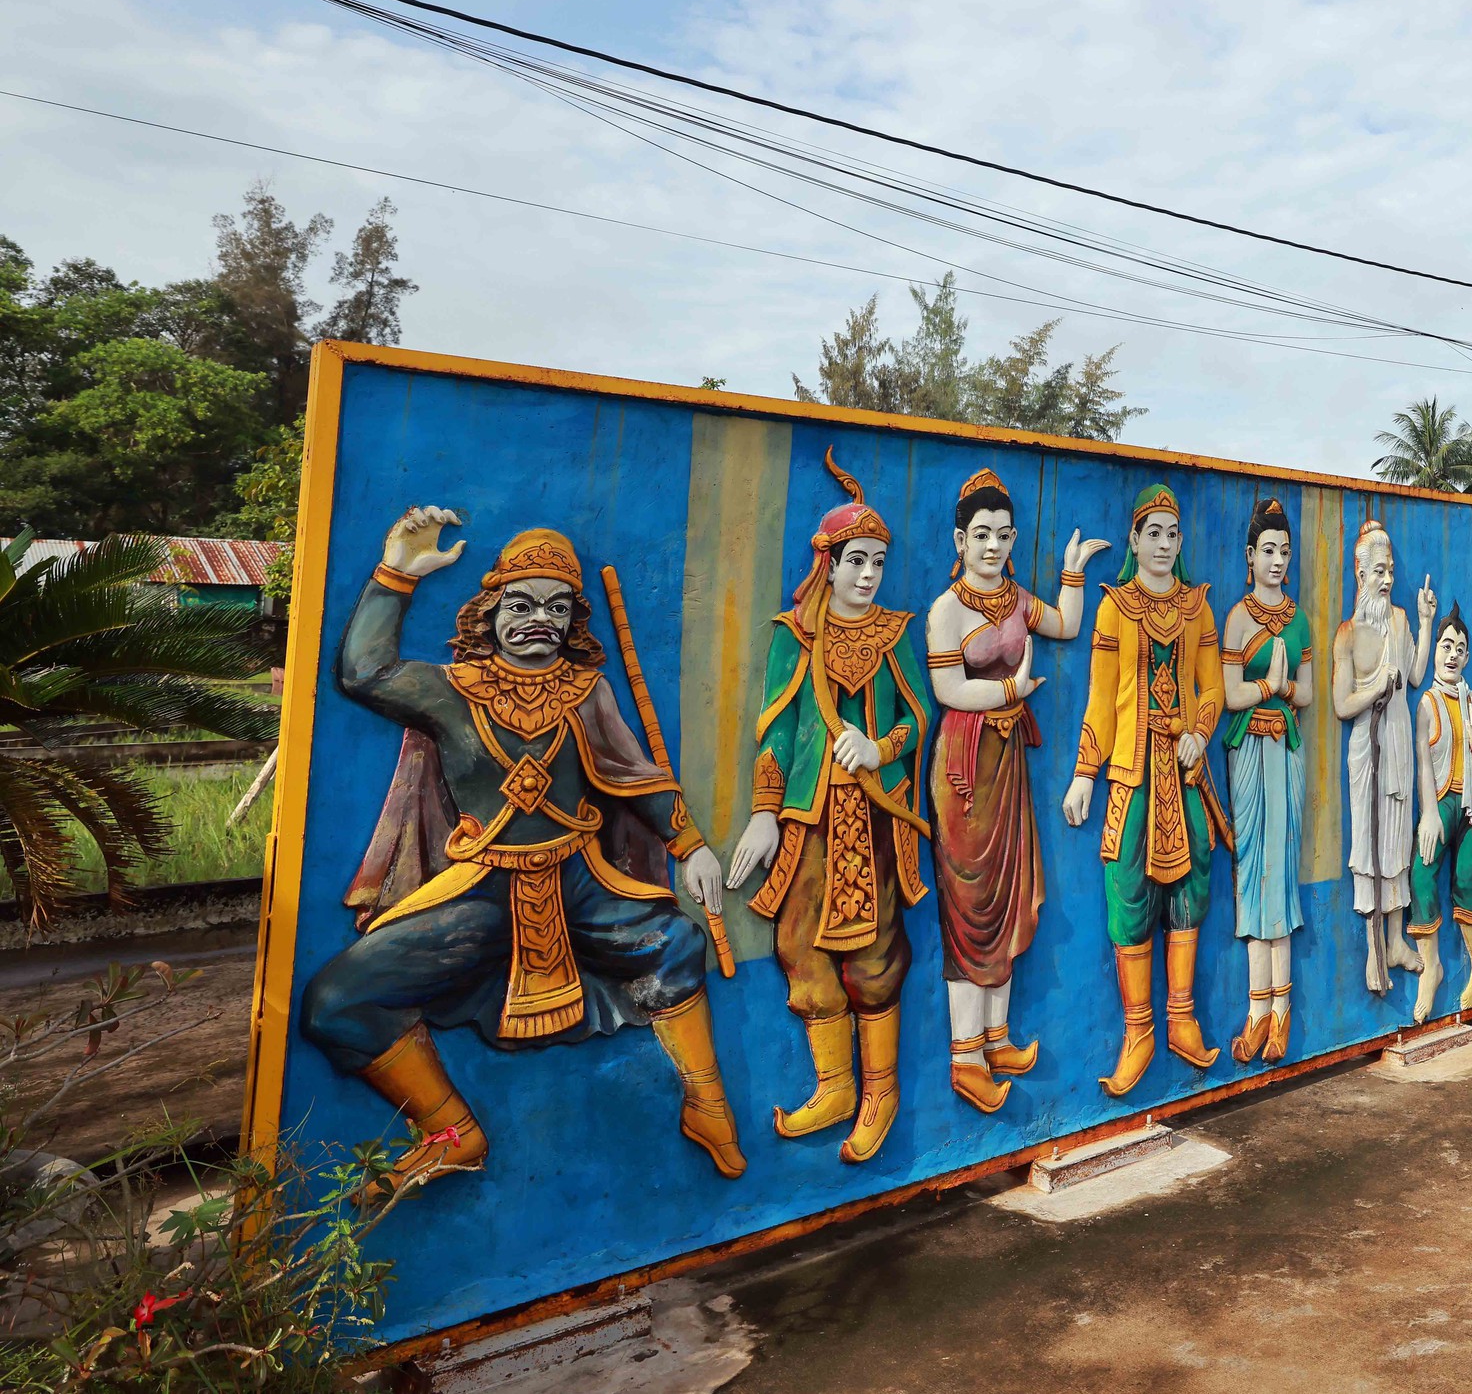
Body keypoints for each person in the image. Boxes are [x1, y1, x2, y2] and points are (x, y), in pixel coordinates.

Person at [301, 509, 743, 1196]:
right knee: (336, 999)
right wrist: (398, 573)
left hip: (580, 882)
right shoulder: (451, 689)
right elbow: (363, 672)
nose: (540, 617)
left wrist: (689, 843)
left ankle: (707, 1105)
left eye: (558, 606)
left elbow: (634, 775)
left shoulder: (585, 690)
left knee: (677, 944)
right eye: (523, 603)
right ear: (492, 610)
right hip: (480, 891)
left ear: (573, 620)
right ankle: (451, 1132)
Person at [726, 457, 932, 1163]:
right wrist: (762, 812)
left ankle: (880, 1092)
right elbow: (776, 726)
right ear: (829, 561)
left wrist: (882, 749)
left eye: (878, 561)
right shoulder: (795, 633)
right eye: (857, 560)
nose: (869, 574)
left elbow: (918, 712)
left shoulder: (895, 630)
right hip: (809, 820)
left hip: (874, 815)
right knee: (801, 948)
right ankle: (836, 1086)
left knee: (875, 954)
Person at [925, 467, 1111, 1114]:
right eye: (982, 535)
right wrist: (1009, 690)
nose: (994, 546)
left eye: (1004, 534)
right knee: (970, 908)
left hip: (1008, 763)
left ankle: (997, 1038)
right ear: (959, 537)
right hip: (964, 769)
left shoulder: (1012, 598)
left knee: (1008, 900)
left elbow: (1062, 623)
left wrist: (1072, 569)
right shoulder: (946, 611)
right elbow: (949, 691)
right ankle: (965, 1055)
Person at [1065, 483, 1232, 1095]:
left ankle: (1182, 1018)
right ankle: (1139, 1031)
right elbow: (1102, 699)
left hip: (1184, 771)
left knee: (1193, 884)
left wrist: (1199, 730)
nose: (1163, 544)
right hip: (1131, 773)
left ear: (1179, 542)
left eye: (1172, 534)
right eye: (1152, 533)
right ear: (1134, 540)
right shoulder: (1114, 608)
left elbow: (1211, 689)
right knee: (1126, 888)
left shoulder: (1199, 608)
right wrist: (1086, 772)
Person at [1220, 497, 1313, 1064]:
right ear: (1250, 556)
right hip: (1249, 752)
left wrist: (1284, 688)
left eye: (1285, 551)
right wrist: (1268, 687)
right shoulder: (1237, 617)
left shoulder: (1298, 619)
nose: (1277, 561)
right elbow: (1231, 695)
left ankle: (1281, 1012)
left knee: (1281, 875)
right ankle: (1256, 1010)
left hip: (1287, 751)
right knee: (1253, 873)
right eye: (1268, 551)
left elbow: (1306, 693)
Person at [1332, 518, 1431, 994]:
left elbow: (1414, 677)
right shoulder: (1348, 634)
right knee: (1368, 849)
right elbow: (1340, 703)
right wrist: (1374, 687)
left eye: (1390, 570)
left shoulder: (1399, 621)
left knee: (1396, 844)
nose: (1387, 579)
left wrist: (1427, 621)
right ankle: (1374, 950)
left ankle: (1395, 940)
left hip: (1396, 742)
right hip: (1365, 748)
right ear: (1361, 575)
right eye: (1378, 571)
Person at [1409, 606, 1472, 1023]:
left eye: (1460, 649)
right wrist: (1428, 814)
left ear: (1467, 657)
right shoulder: (1427, 703)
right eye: (1447, 646)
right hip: (1442, 801)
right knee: (1423, 873)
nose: (1452, 655)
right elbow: (1423, 764)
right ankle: (1432, 969)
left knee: (1466, 880)